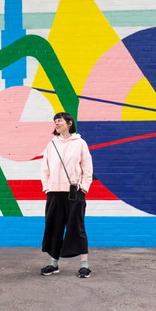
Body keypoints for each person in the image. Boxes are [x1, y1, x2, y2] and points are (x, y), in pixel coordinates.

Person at [40, 112, 93, 278]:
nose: (56, 123)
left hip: (74, 193)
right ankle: (53, 264)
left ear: (69, 123)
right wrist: (47, 188)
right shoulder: (51, 145)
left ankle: (84, 265)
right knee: (54, 227)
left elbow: (87, 168)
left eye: (60, 120)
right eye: (55, 121)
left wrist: (83, 188)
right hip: (54, 193)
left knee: (77, 227)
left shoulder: (80, 143)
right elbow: (44, 168)